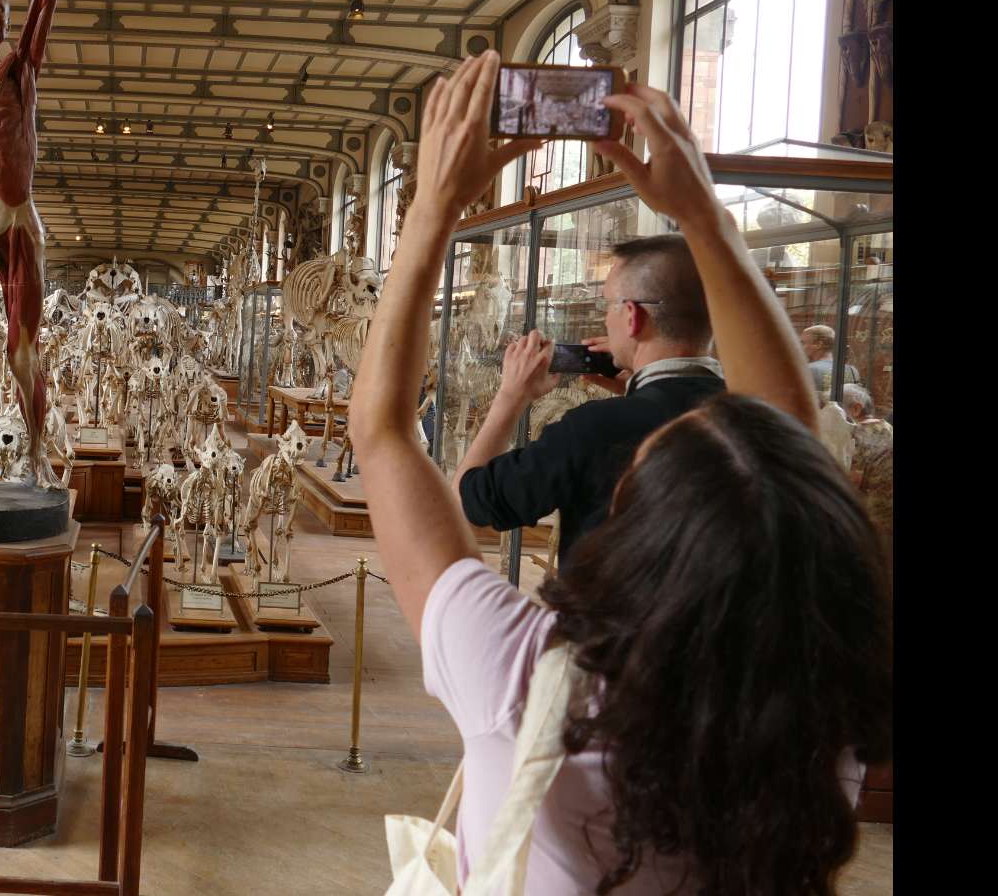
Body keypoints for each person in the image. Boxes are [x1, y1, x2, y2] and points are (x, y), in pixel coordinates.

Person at [349, 52, 890, 894]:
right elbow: (787, 454)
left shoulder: (526, 678)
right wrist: (702, 215)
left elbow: (384, 435)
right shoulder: (826, 707)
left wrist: (431, 213)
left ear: (642, 531)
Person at [452, 233, 725, 568]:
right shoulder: (756, 414)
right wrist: (638, 397)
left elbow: (469, 503)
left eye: (607, 305)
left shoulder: (596, 429)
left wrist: (510, 396)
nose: (604, 319)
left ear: (632, 316)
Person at [802, 324, 859, 396]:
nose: (801, 347)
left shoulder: (808, 370)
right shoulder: (852, 370)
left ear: (818, 344)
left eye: (803, 343)